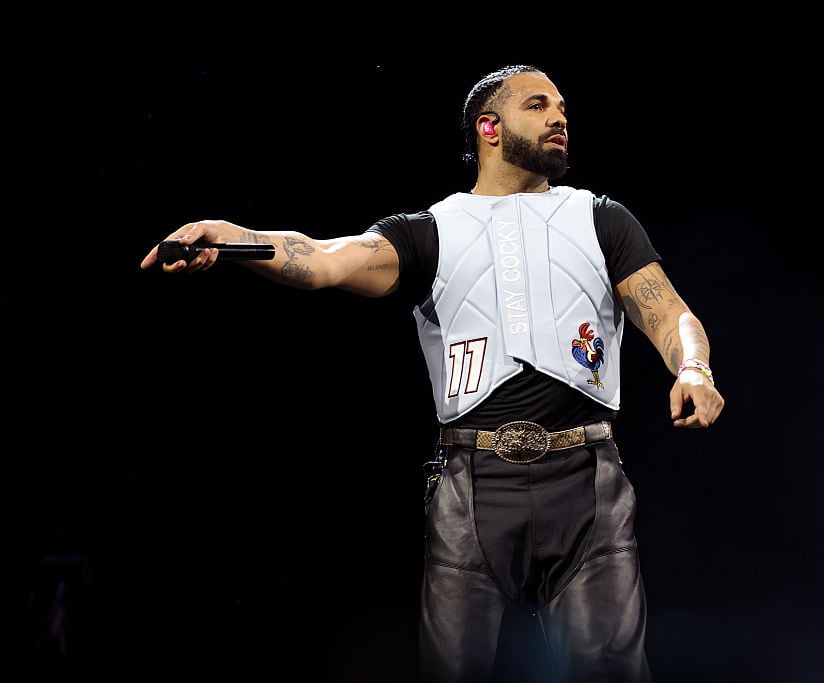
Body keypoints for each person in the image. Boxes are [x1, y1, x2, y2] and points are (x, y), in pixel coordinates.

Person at [140, 64, 724, 683]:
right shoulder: (431, 231)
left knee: (610, 670)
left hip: (586, 479)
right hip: (473, 487)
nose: (560, 118)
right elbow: (328, 260)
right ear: (489, 128)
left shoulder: (602, 219)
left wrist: (694, 367)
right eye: (538, 105)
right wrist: (237, 238)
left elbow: (670, 313)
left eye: (563, 108)